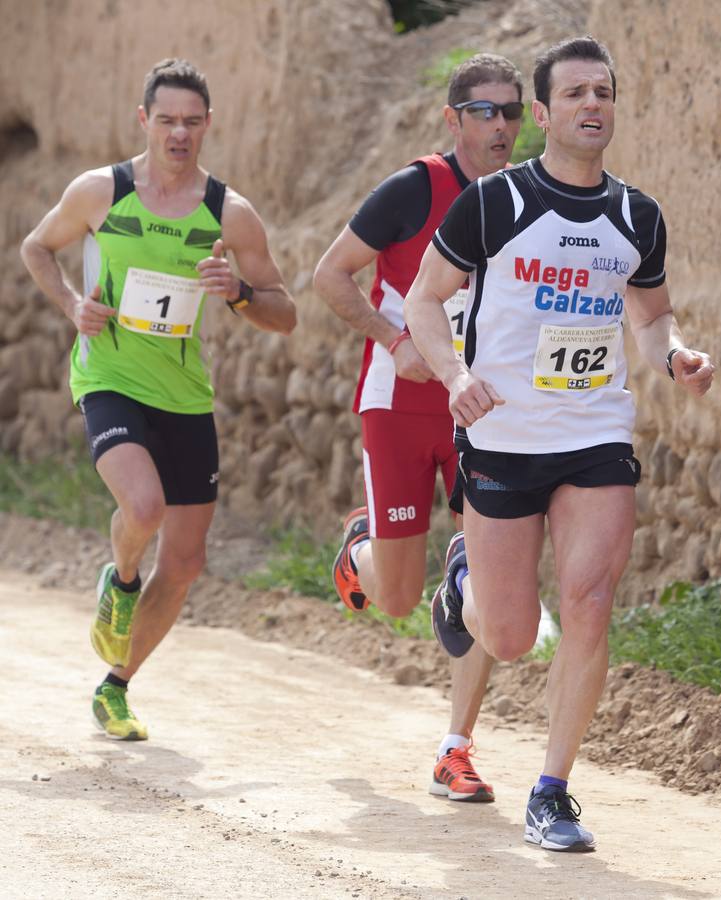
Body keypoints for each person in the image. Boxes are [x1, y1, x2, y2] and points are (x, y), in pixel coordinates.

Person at [404, 36, 715, 852]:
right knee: (508, 637)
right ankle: (463, 580)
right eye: (574, 93)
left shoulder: (636, 215)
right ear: (542, 114)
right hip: (503, 436)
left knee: (588, 602)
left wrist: (675, 355)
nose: (592, 105)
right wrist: (453, 376)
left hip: (594, 433)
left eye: (603, 92)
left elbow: (648, 317)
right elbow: (424, 302)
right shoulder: (495, 203)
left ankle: (554, 790)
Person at [19, 59, 297, 741]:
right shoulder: (100, 192)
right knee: (142, 507)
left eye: (191, 122)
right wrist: (73, 305)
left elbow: (285, 312)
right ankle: (119, 579)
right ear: (144, 121)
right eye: (167, 120)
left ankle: (115, 687)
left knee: (187, 561)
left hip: (184, 395)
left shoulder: (228, 214)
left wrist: (235, 291)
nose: (179, 133)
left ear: (209, 126)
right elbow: (37, 248)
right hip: (109, 379)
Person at [315, 53, 527, 803]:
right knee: (400, 600)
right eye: (484, 112)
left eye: (511, 111)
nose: (500, 125)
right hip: (400, 402)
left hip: (483, 410)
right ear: (453, 118)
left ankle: (455, 749)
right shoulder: (415, 188)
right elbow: (330, 274)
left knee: (490, 574)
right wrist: (394, 337)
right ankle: (361, 546)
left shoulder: (525, 197)